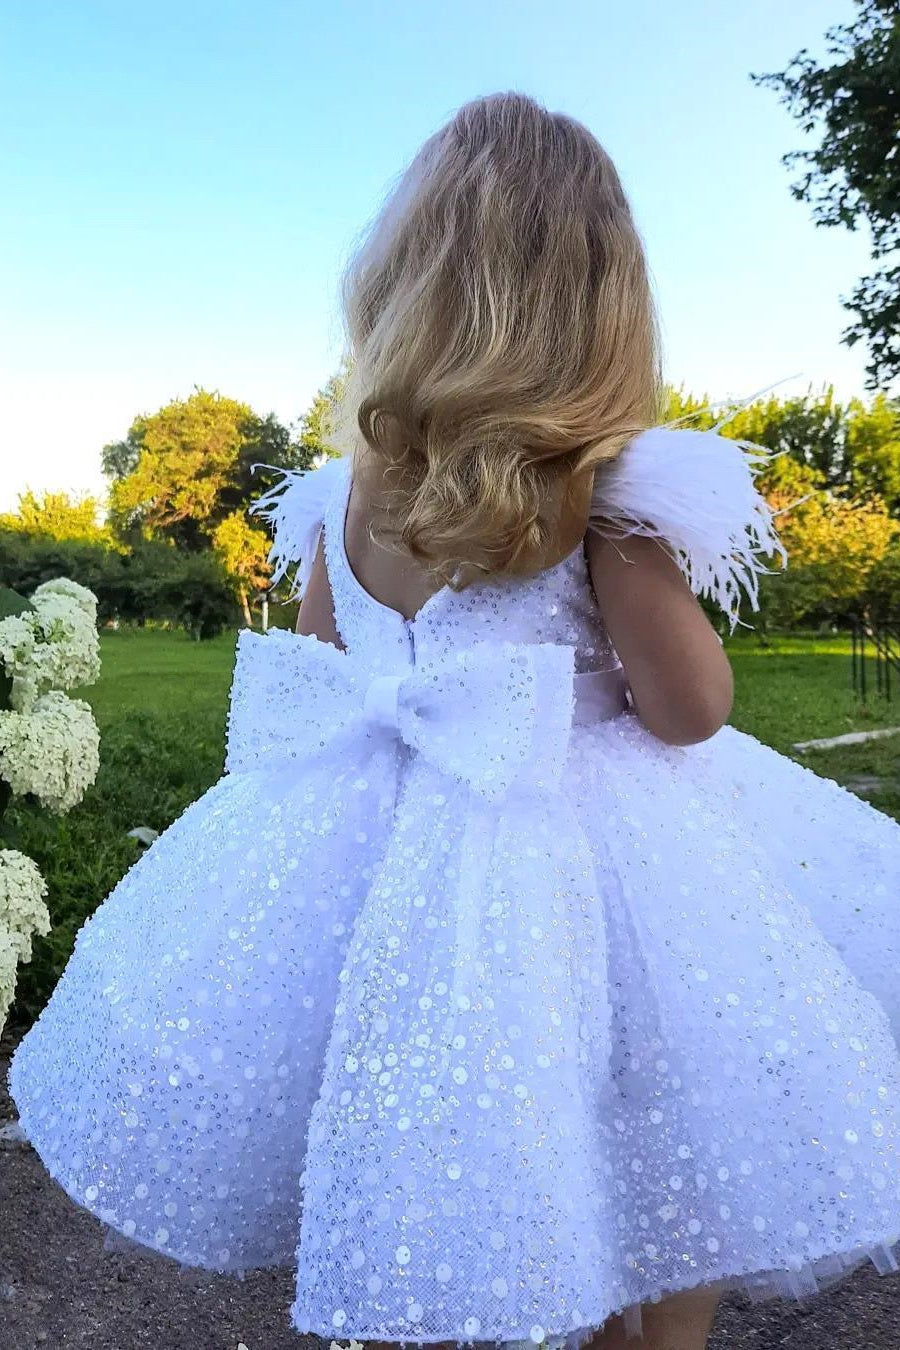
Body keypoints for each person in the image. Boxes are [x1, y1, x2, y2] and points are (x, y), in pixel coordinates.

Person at [11, 92, 900, 1350]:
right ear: (602, 306)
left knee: (470, 1106)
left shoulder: (344, 495)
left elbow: (323, 677)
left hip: (388, 846)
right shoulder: (602, 499)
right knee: (665, 1104)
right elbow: (692, 711)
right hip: (605, 856)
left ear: (403, 281)